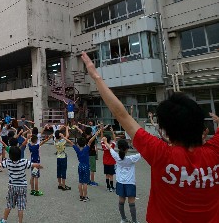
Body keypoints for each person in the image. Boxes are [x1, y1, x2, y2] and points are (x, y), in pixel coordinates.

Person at [81, 51, 219, 223]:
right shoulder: (215, 152)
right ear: (202, 125)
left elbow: (121, 115)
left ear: (166, 131)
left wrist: (95, 76)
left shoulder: (161, 154)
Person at [0, 146, 42, 223]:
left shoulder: (8, 162)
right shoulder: (24, 161)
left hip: (12, 186)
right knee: (20, 206)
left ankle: (4, 220)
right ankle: (20, 222)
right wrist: (40, 166)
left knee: (9, 204)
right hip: (22, 186)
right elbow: (35, 165)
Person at [105, 139, 141, 223]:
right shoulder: (132, 158)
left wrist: (105, 141)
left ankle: (123, 218)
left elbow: (110, 148)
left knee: (121, 201)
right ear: (127, 149)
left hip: (120, 182)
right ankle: (134, 221)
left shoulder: (116, 157)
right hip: (130, 183)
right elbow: (143, 153)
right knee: (131, 202)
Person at [62, 128, 101, 201]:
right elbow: (90, 141)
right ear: (84, 143)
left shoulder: (77, 149)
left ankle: (81, 196)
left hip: (80, 166)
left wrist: (64, 137)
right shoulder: (86, 149)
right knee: (85, 183)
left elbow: (71, 142)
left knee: (80, 182)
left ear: (78, 144)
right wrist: (96, 134)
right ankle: (85, 196)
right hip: (86, 166)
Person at [54, 125, 71, 190]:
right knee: (63, 171)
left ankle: (60, 184)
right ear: (60, 135)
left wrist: (60, 130)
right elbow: (67, 136)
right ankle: (63, 185)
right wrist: (66, 129)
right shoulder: (62, 141)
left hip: (58, 157)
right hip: (63, 157)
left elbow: (56, 133)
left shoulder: (55, 141)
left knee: (59, 170)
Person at [101, 126, 117, 192]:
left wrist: (101, 131)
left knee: (107, 175)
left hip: (105, 162)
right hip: (111, 162)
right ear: (110, 140)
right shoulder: (112, 145)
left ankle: (108, 186)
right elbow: (115, 139)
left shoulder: (103, 145)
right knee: (111, 175)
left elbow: (102, 139)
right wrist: (112, 132)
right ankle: (112, 187)